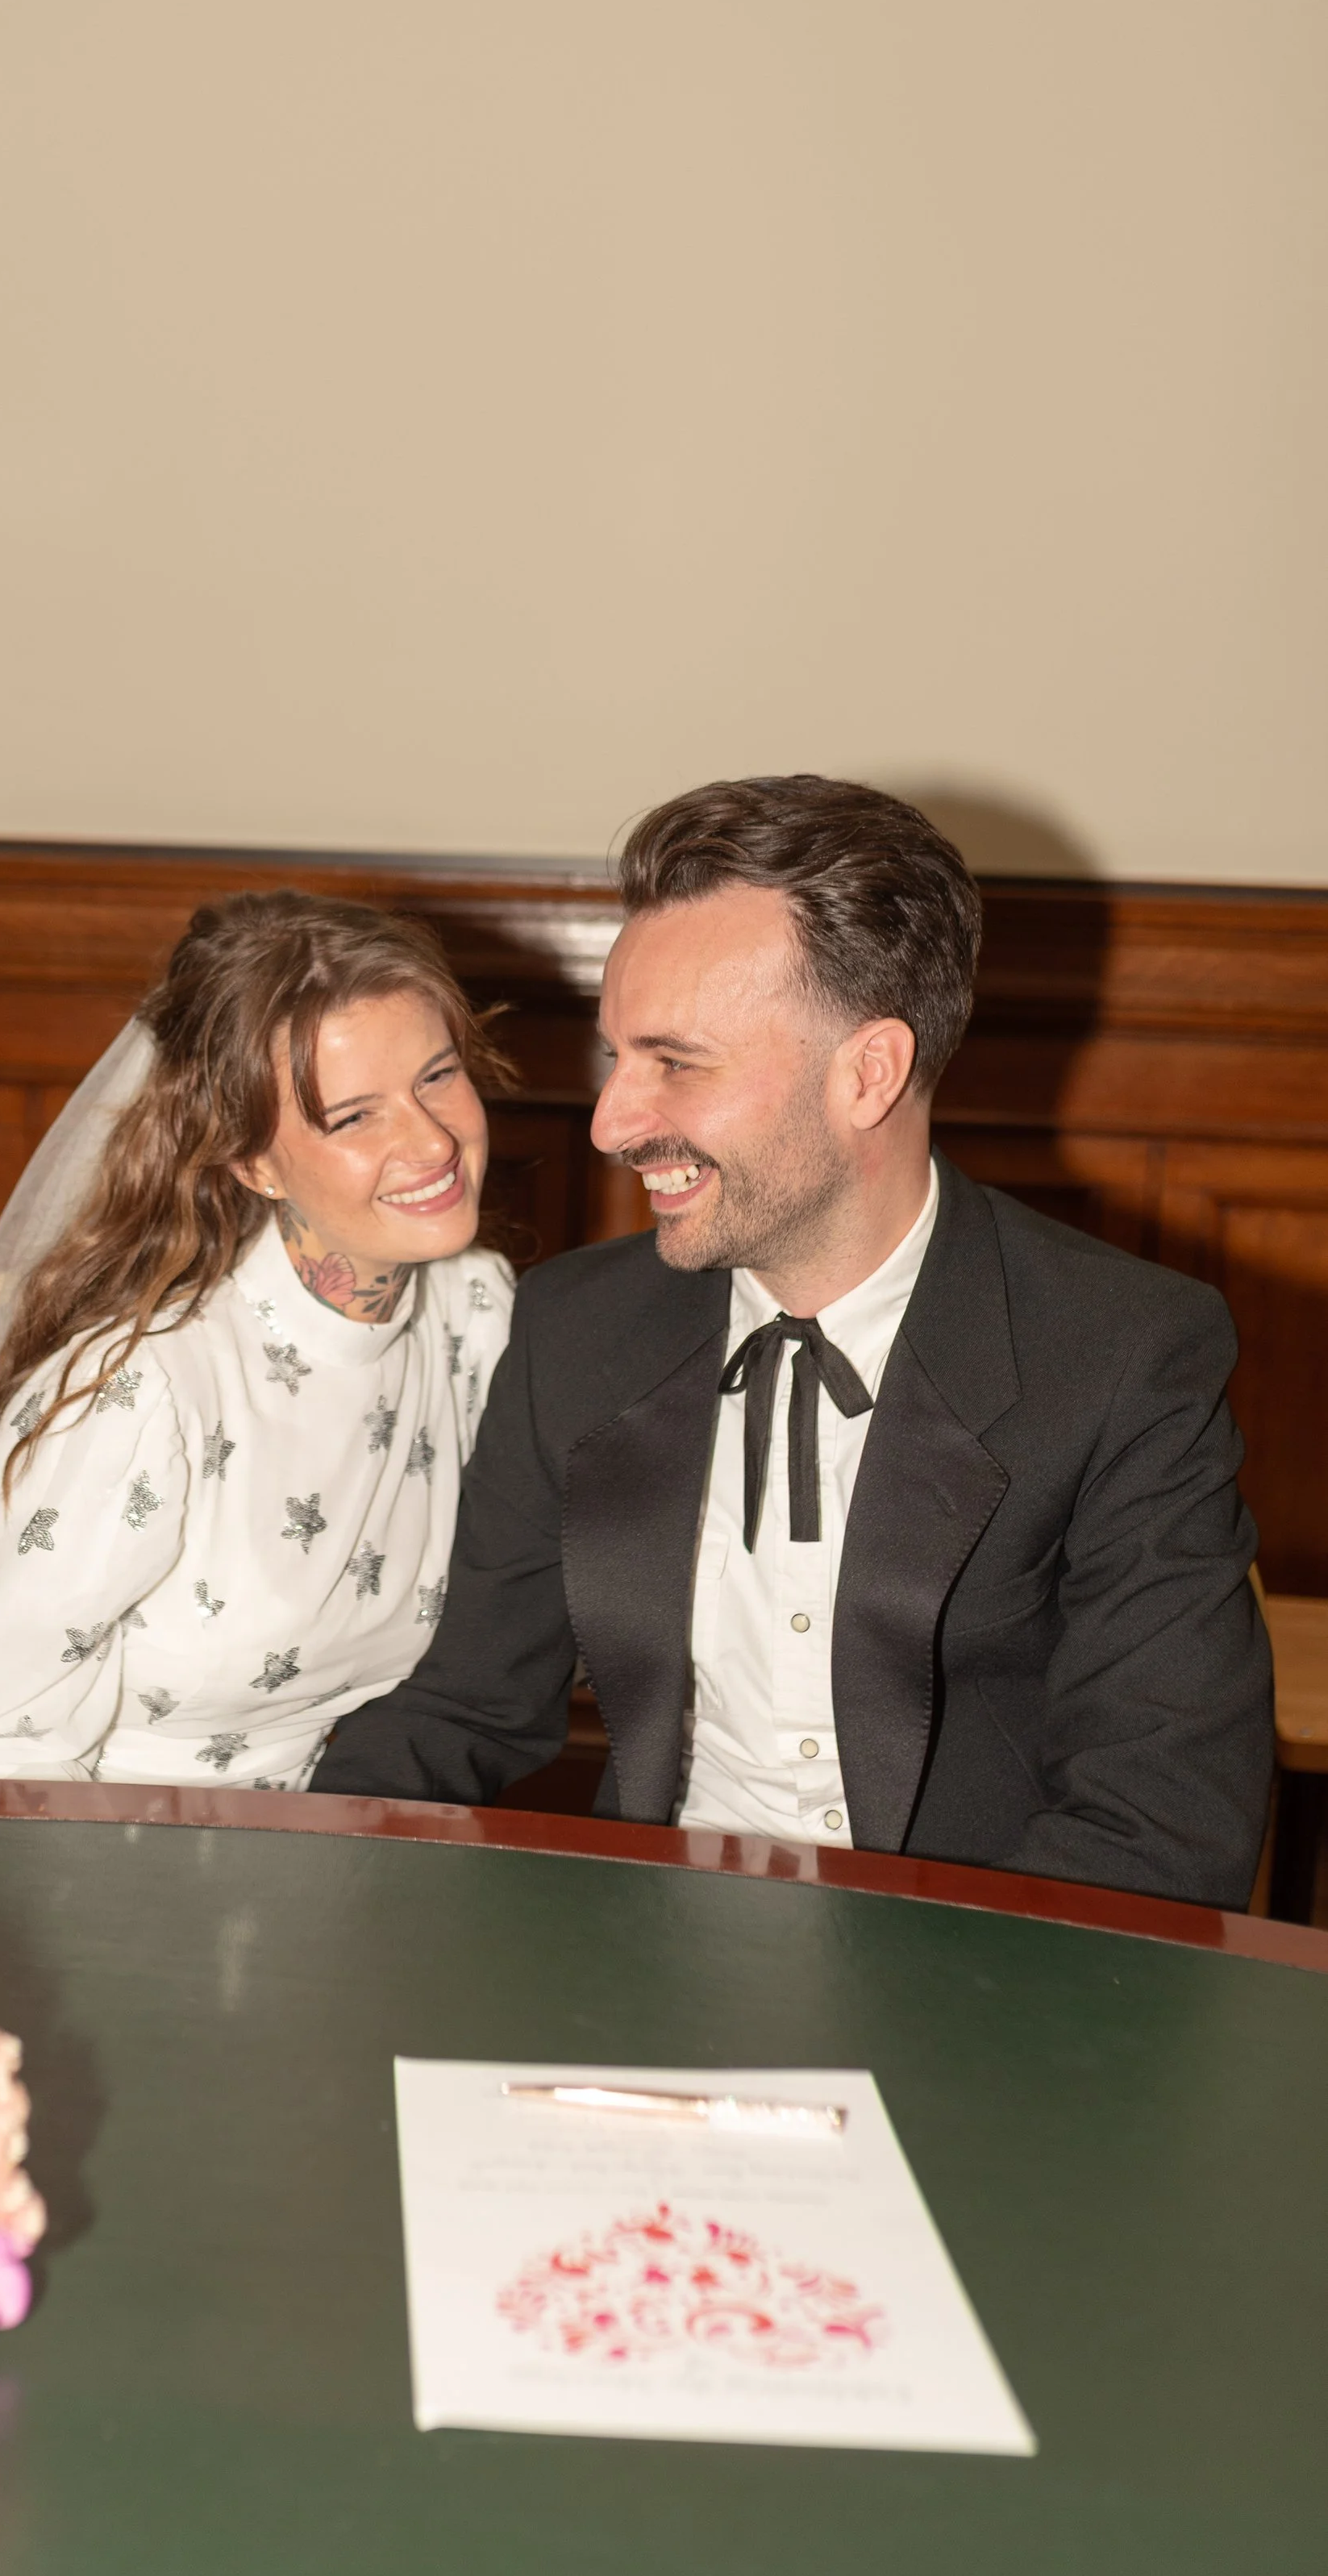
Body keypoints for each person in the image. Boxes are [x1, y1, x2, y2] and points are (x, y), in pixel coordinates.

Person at [313, 776, 1275, 1909]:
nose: (612, 1122)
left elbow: (1159, 1831)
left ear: (866, 1073)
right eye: (617, 1057)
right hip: (637, 1978)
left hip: (980, 1999)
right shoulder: (576, 1327)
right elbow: (463, 1711)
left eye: (674, 1062)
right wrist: (295, 1886)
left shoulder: (1120, 1353)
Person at [0, 890, 514, 1787]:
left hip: (362, 1849)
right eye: (354, 1116)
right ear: (252, 1159)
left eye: (436, 1076)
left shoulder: (475, 1310)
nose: (430, 1140)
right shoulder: (142, 1392)